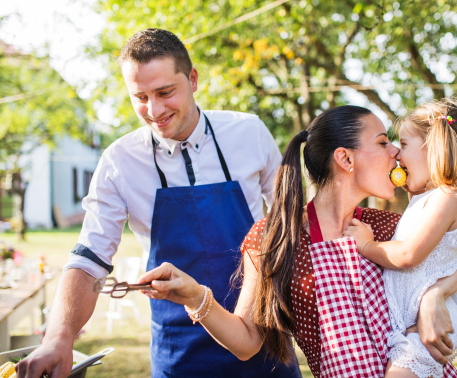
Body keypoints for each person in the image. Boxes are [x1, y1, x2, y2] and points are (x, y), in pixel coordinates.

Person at [16, 28, 301, 378]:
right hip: (179, 350)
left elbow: (292, 227)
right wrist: (58, 338)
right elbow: (89, 257)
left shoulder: (250, 133)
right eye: (140, 97)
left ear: (193, 79)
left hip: (263, 336)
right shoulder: (118, 161)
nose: (154, 110)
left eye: (165, 92)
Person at [138, 105, 457, 377]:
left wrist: (435, 296)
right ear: (345, 158)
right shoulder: (273, 239)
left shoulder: (385, 228)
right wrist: (196, 296)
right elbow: (246, 342)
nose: (396, 152)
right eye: (383, 142)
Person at [345, 99, 457, 378]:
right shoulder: (425, 198)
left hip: (427, 324)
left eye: (404, 145)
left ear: (434, 149)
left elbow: (409, 255)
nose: (396, 155)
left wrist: (367, 245)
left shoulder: (448, 197)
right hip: (408, 321)